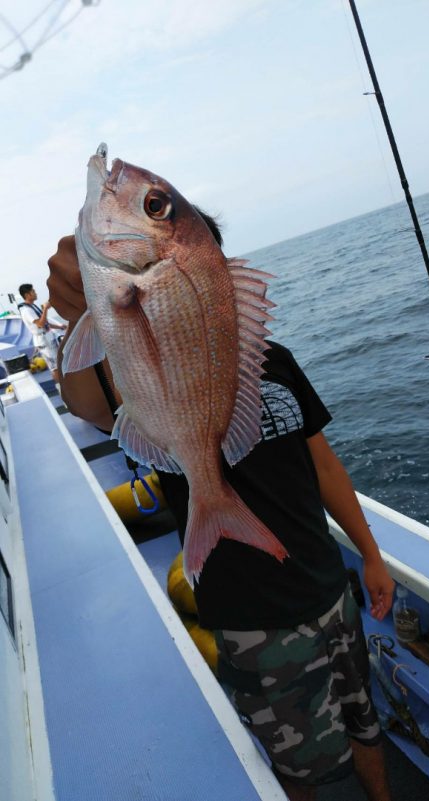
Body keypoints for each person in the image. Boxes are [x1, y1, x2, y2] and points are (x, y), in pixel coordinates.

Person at [47, 217, 395, 801]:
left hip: (329, 589)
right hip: (249, 616)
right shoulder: (143, 370)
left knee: (366, 719)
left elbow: (326, 467)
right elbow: (88, 403)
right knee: (296, 762)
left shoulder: (276, 359)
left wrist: (372, 556)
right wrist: (78, 315)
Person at [18, 283, 66, 385]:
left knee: (58, 362)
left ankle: (66, 385)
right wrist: (45, 309)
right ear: (27, 295)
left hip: (48, 337)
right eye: (33, 291)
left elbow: (46, 324)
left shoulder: (32, 306)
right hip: (43, 341)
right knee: (55, 367)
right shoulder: (26, 310)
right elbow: (40, 324)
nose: (35, 293)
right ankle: (62, 388)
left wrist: (60, 327)